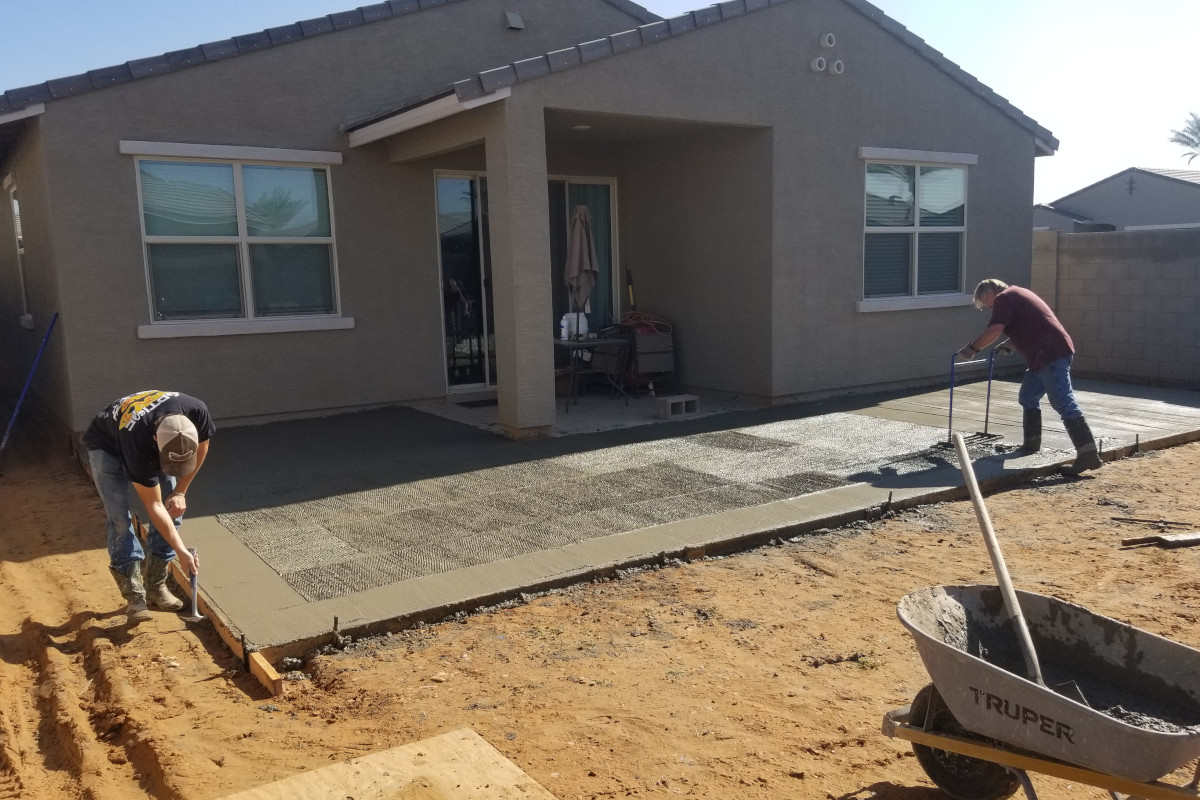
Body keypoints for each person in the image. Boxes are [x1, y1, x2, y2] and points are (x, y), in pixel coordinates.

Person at [81, 391, 215, 624]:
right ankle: (134, 596)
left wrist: (180, 492)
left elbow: (202, 447)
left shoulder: (197, 410)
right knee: (120, 518)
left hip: (147, 435)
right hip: (107, 445)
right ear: (156, 442)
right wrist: (182, 552)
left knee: (172, 510)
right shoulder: (136, 443)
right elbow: (153, 505)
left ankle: (155, 586)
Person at [957, 279, 1101, 475]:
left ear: (993, 291)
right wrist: (1011, 343)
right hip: (1042, 355)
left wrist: (972, 349)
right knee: (1028, 397)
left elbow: (995, 330)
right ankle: (1031, 445)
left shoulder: (1004, 298)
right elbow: (1032, 324)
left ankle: (1088, 453)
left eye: (985, 300)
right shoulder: (1017, 294)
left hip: (1050, 354)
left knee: (1063, 402)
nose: (988, 306)